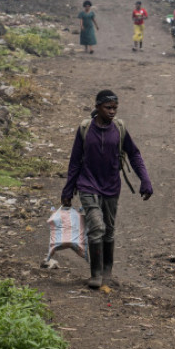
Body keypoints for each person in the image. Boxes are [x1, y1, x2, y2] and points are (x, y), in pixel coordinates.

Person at [60, 90, 153, 288]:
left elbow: (134, 155)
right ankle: (95, 274)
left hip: (111, 185)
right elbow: (75, 161)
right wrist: (68, 190)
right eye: (108, 107)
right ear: (97, 107)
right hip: (87, 184)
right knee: (97, 227)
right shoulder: (85, 129)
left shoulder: (119, 129)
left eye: (115, 108)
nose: (112, 111)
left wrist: (145, 180)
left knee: (109, 230)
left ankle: (107, 270)